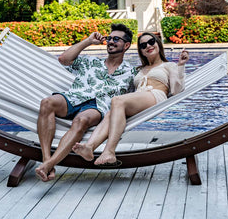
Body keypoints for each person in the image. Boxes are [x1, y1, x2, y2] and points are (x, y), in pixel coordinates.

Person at [35, 23, 136, 182]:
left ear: (127, 45)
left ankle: (48, 165)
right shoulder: (91, 61)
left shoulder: (131, 72)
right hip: (74, 97)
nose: (110, 41)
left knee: (81, 120)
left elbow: (149, 84)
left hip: (97, 107)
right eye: (109, 38)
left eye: (116, 39)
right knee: (47, 102)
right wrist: (88, 41)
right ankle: (47, 161)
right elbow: (64, 59)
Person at [72, 32, 189, 166]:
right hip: (139, 100)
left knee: (117, 101)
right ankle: (90, 147)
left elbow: (177, 90)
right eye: (143, 45)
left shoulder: (169, 66)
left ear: (158, 44)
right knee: (111, 112)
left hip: (156, 96)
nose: (148, 46)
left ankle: (109, 151)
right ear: (141, 51)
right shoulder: (139, 69)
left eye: (151, 42)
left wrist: (181, 65)